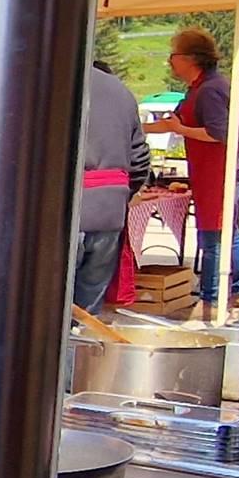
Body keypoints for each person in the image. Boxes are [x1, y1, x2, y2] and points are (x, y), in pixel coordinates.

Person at [144, 27, 239, 312]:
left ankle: (216, 296)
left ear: (189, 58)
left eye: (173, 55)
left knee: (217, 232)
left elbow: (221, 133)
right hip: (210, 171)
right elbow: (174, 122)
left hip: (221, 170)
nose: (170, 61)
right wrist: (137, 127)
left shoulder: (210, 90)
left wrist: (181, 129)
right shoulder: (200, 87)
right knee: (220, 231)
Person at [73, 61, 149, 314]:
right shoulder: (120, 91)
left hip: (63, 214)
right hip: (109, 211)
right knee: (87, 316)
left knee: (46, 313)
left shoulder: (53, 83)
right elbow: (139, 159)